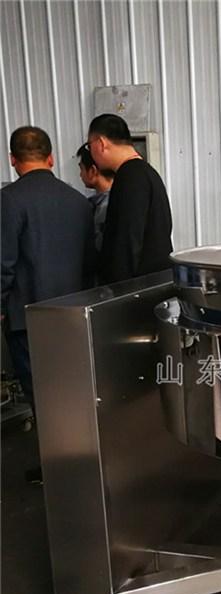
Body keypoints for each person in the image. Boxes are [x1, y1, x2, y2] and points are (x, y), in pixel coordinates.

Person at [1, 125, 94, 408]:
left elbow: (4, 262)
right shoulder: (79, 202)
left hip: (27, 319)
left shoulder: (8, 200)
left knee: (42, 398)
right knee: (73, 392)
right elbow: (90, 262)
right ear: (50, 158)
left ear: (12, 159)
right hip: (74, 316)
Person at [86, 113, 173, 283]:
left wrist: (118, 289)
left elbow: (126, 240)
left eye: (90, 146)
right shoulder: (146, 172)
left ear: (101, 143)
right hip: (156, 280)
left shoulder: (130, 177)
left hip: (139, 286)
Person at [76, 142, 114, 254]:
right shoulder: (121, 198)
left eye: (81, 169)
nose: (80, 175)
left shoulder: (103, 207)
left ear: (92, 171)